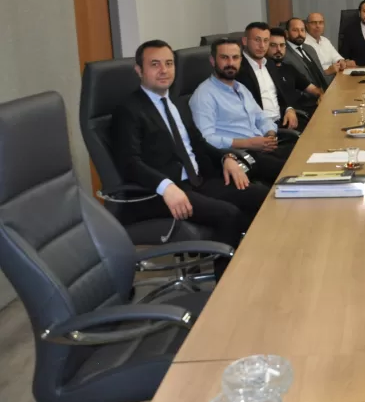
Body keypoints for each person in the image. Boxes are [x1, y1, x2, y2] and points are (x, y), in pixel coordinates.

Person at [112, 40, 270, 276]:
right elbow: (129, 163)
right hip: (157, 193)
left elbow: (199, 142)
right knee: (228, 214)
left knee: (259, 196)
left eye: (169, 63)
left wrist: (226, 158)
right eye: (155, 64)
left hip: (195, 181)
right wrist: (166, 187)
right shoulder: (128, 110)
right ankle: (225, 282)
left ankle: (253, 268)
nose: (164, 70)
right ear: (139, 70)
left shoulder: (175, 103)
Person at [189, 39, 295, 183]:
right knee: (293, 170)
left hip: (262, 147)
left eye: (235, 57)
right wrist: (248, 143)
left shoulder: (241, 88)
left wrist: (270, 134)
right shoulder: (204, 95)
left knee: (303, 152)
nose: (230, 63)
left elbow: (261, 117)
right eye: (224, 58)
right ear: (213, 61)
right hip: (241, 156)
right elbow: (206, 139)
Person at [236, 22, 302, 131]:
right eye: (257, 40)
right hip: (260, 129)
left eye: (266, 40)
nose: (262, 45)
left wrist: (289, 109)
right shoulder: (237, 69)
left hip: (282, 122)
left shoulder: (270, 64)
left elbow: (280, 94)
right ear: (245, 41)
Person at [268, 27, 321, 114]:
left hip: (304, 111)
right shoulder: (264, 72)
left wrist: (321, 95)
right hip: (287, 115)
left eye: (282, 45)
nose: (279, 49)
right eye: (273, 45)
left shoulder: (289, 68)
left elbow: (312, 88)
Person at [284, 17, 329, 91]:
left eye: (302, 30)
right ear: (286, 33)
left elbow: (321, 73)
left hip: (325, 91)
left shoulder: (309, 48)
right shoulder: (284, 53)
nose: (300, 34)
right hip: (309, 96)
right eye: (295, 30)